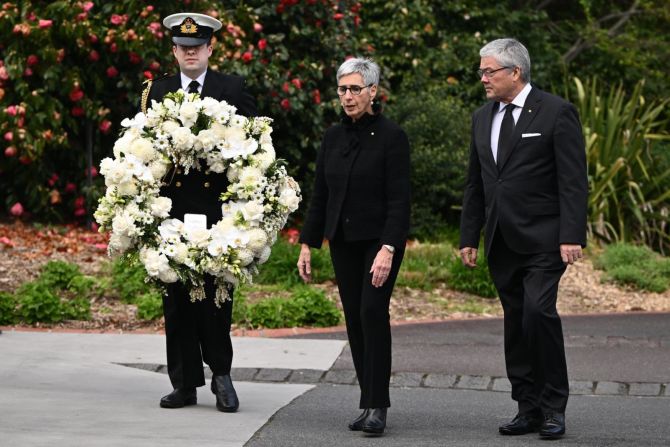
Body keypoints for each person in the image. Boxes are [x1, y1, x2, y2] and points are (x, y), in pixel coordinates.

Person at [459, 38, 588, 439]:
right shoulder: (482, 117)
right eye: (481, 71)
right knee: (515, 322)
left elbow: (572, 180)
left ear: (515, 72)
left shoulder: (556, 112)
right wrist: (469, 236)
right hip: (501, 239)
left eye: (489, 71)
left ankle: (553, 407)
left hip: (545, 240)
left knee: (538, 312)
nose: (482, 78)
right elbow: (476, 184)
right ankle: (527, 406)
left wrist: (571, 235)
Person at [142, 12, 257, 413]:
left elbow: (253, 150)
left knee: (215, 297)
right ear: (174, 51)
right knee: (175, 298)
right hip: (171, 210)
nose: (190, 54)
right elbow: (141, 149)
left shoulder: (233, 88)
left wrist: (246, 209)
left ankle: (221, 375)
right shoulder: (157, 91)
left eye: (197, 47)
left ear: (210, 48)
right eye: (183, 48)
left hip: (216, 212)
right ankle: (185, 382)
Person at [297, 58, 410, 436]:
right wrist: (308, 243)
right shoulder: (332, 137)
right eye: (343, 89)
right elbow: (321, 195)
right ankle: (367, 399)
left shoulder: (392, 136)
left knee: (372, 313)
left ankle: (378, 405)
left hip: (380, 244)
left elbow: (400, 201)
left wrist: (389, 247)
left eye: (355, 89)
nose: (348, 96)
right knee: (355, 320)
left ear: (373, 91)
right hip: (343, 242)